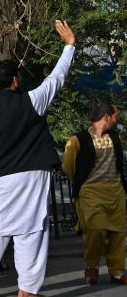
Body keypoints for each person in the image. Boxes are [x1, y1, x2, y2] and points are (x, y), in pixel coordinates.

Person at [0, 20, 76, 297]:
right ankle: (27, 290)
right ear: (15, 80)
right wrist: (69, 47)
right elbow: (56, 79)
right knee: (31, 229)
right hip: (30, 173)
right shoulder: (32, 101)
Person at [62, 100, 127, 285]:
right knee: (95, 230)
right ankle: (92, 266)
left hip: (116, 191)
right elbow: (68, 166)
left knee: (118, 233)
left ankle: (116, 272)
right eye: (116, 117)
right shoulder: (78, 139)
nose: (117, 120)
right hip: (91, 191)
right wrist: (82, 181)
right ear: (106, 117)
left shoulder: (115, 137)